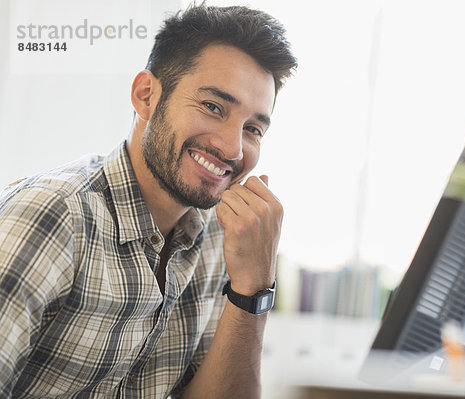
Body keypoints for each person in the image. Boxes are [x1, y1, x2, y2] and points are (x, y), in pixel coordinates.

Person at [0, 3, 297, 398]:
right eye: (212, 107)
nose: (231, 147)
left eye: (253, 129)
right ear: (146, 96)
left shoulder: (218, 236)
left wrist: (254, 287)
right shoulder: (52, 216)